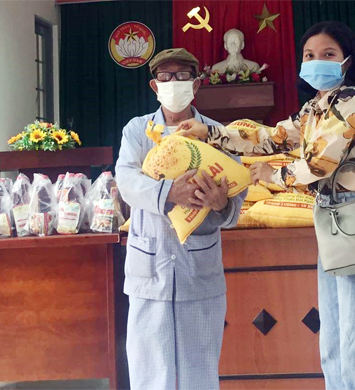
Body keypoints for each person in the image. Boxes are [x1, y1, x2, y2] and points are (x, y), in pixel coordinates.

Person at [178, 22, 355, 390]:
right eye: (309, 55)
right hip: (334, 220)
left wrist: (271, 175)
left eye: (328, 54)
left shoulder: (350, 99)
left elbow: (318, 164)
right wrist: (210, 133)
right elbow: (270, 138)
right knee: (335, 339)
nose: (316, 62)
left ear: (347, 61)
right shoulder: (315, 108)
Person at [115, 48, 246, 390]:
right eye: (166, 77)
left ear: (197, 84)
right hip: (150, 269)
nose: (174, 83)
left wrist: (220, 204)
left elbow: (236, 195)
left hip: (198, 272)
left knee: (198, 370)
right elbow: (127, 181)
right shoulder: (137, 131)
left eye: (183, 76)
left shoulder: (217, 133)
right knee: (149, 371)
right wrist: (171, 193)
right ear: (154, 86)